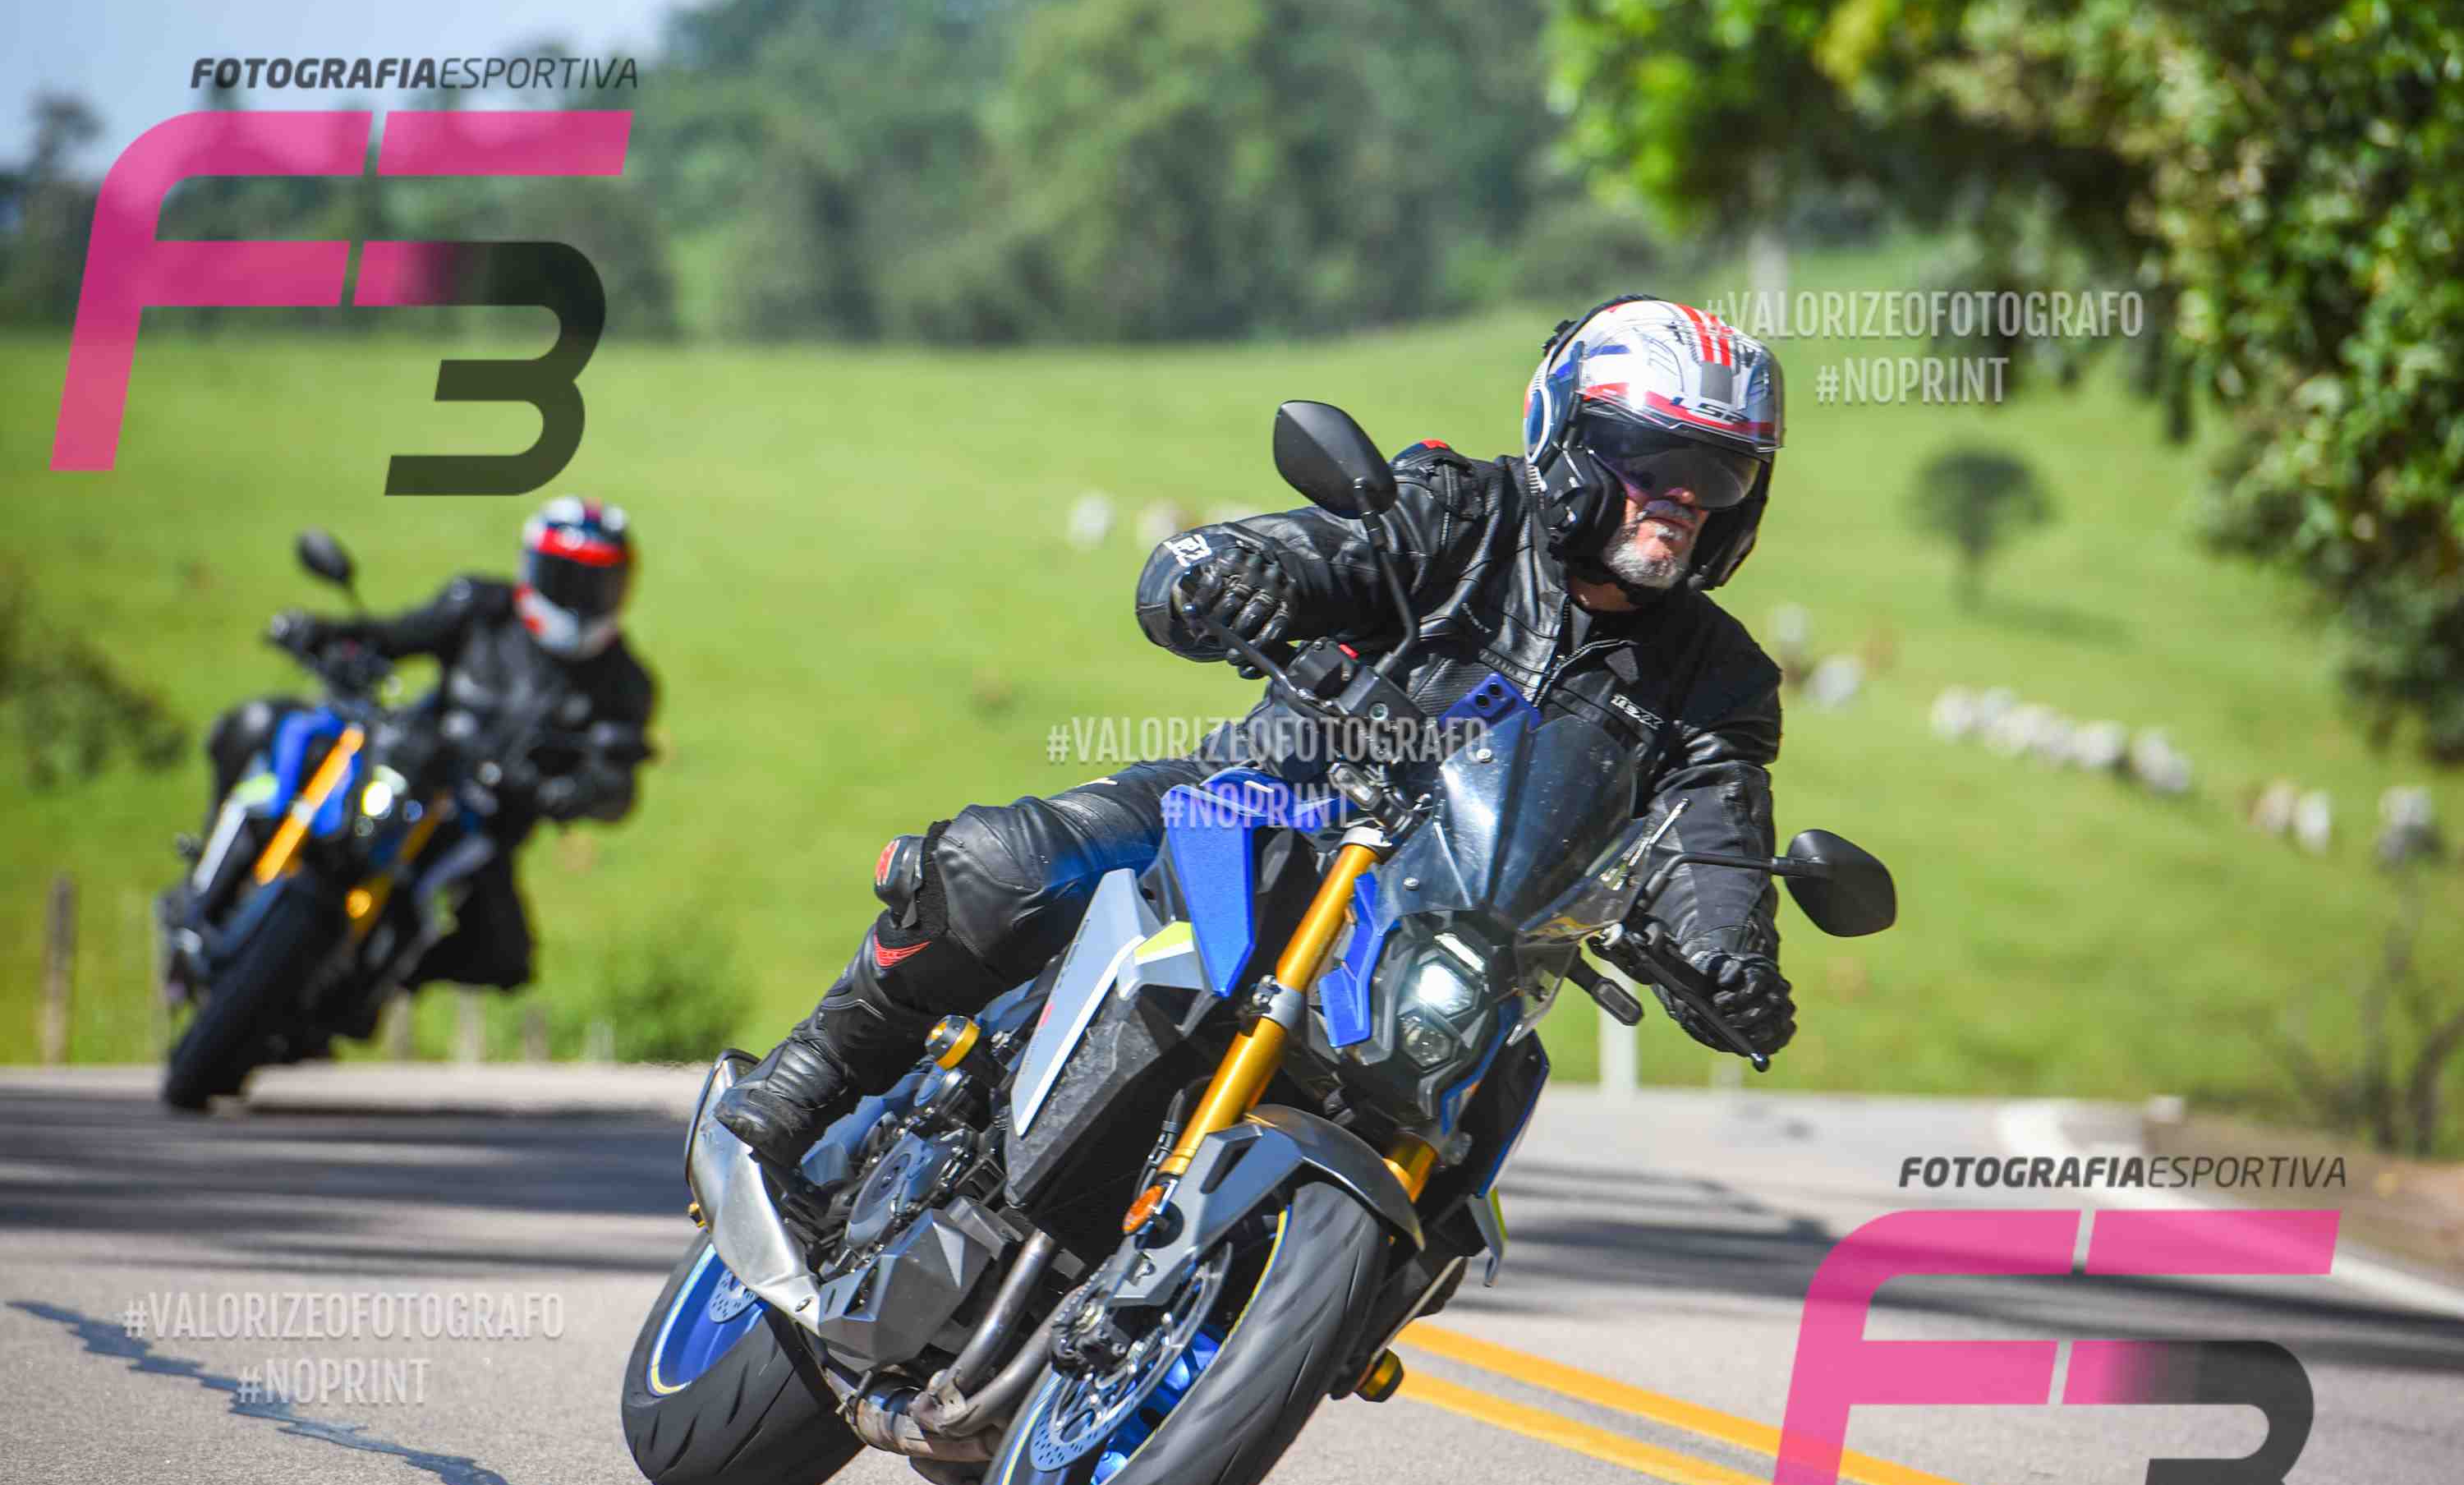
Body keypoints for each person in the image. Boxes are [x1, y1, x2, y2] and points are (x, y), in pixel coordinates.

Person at [718, 296, 1796, 1169]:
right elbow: (1308, 550)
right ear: (1571, 442)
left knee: (1472, 1141)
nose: (1680, 500)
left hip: (1452, 937)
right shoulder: (1459, 512)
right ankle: (819, 1068)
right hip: (1259, 802)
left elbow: (1715, 829)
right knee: (1006, 868)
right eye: (1650, 460)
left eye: (1718, 477)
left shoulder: (1721, 679)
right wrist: (1238, 577)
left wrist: (1727, 955)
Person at [194, 496, 656, 995]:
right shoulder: (482, 607)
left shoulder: (626, 682)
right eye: (567, 578)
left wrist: (580, 791)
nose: (580, 597)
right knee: (267, 725)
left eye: (597, 583)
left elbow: (619, 785)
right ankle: (208, 880)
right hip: (406, 767)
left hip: (481, 827)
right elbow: (392, 635)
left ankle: (376, 982)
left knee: (506, 957)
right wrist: (323, 634)